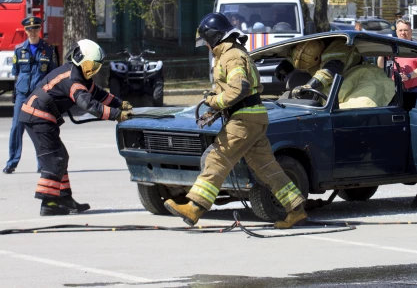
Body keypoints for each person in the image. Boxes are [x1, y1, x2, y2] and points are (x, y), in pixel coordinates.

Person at [164, 13, 307, 229]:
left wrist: (214, 102)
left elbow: (239, 88)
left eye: (206, 43)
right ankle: (296, 210)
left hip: (244, 119)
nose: (206, 47)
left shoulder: (231, 55)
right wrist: (216, 109)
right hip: (253, 117)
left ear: (214, 38)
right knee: (266, 167)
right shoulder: (230, 53)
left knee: (217, 158)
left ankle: (194, 207)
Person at [19, 39, 133, 216]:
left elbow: (98, 94)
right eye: (91, 65)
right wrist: (116, 115)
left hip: (42, 117)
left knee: (60, 156)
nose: (93, 69)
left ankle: (64, 199)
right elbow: (88, 104)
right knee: (55, 158)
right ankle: (48, 203)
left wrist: (120, 103)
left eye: (96, 66)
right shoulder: (73, 80)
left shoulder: (79, 75)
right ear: (80, 59)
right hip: (37, 116)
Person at [4, 17, 58, 174]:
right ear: (25, 31)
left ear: (40, 30)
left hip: (39, 96)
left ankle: (42, 164)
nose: (33, 32)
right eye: (30, 29)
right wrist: (16, 92)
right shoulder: (19, 49)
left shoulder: (48, 49)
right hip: (22, 94)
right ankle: (12, 162)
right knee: (16, 128)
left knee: (39, 129)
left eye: (35, 29)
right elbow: (16, 73)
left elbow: (51, 75)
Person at [377, 19, 417, 92]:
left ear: (411, 31)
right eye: (400, 30)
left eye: (406, 30)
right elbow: (380, 66)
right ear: (396, 32)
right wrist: (382, 53)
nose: (403, 33)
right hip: (392, 88)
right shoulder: (391, 48)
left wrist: (408, 76)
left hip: (412, 90)